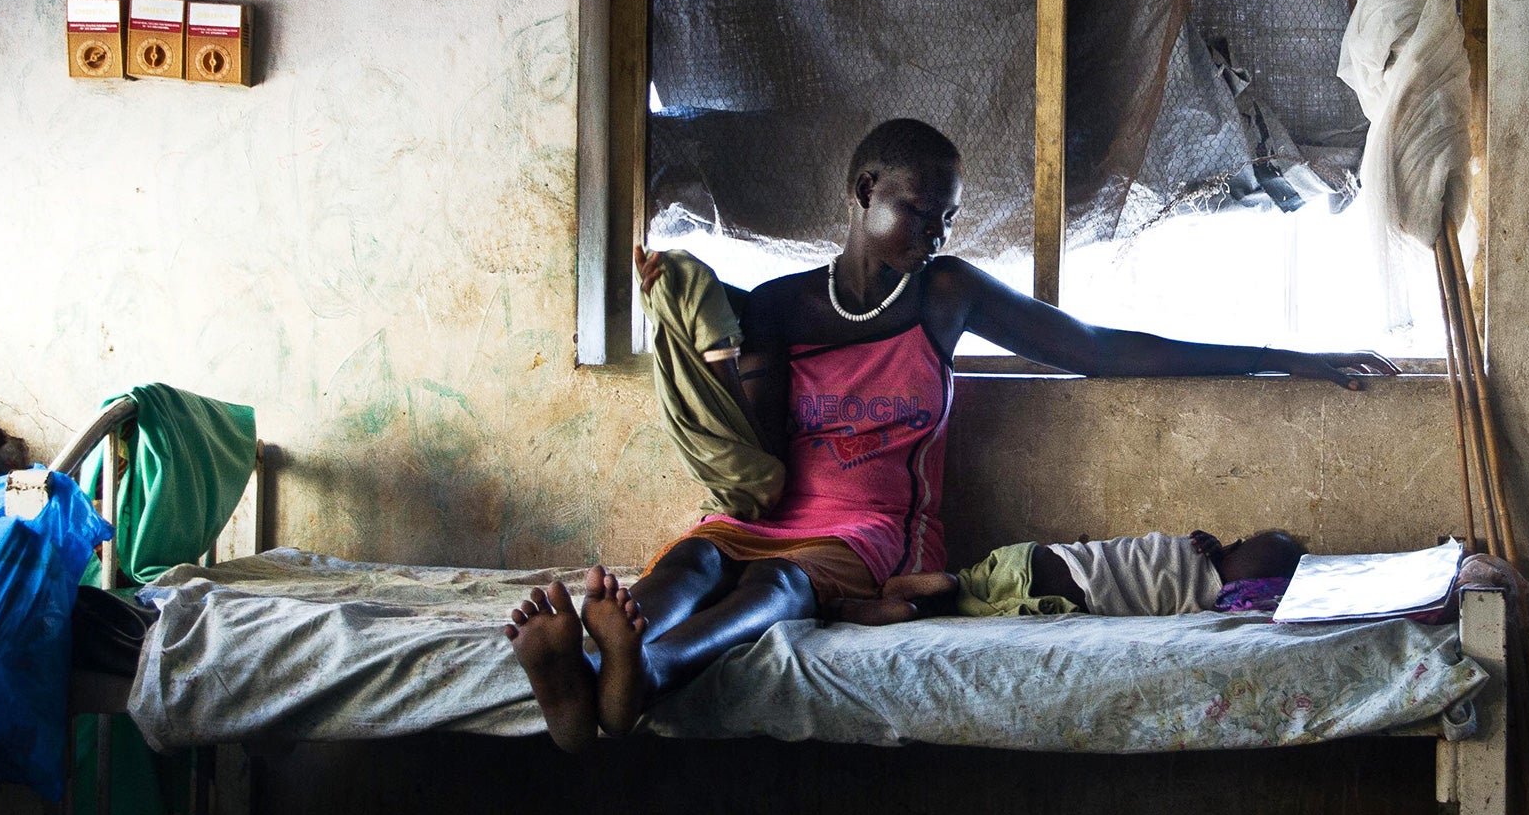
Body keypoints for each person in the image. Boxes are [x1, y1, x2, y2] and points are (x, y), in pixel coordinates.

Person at [506, 119, 1396, 751]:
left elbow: (1094, 348)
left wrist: (1283, 356)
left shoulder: (945, 296)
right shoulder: (778, 308)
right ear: (864, 192)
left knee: (780, 584)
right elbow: (759, 460)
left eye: (947, 220)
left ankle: (648, 672)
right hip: (770, 515)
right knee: (692, 563)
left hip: (868, 539)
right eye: (920, 211)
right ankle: (596, 659)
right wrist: (703, 325)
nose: (935, 235)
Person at [830, 528, 1309, 624]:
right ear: (1236, 546)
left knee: (973, 596)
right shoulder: (1199, 549)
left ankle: (913, 601)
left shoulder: (1219, 595)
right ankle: (934, 593)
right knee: (980, 593)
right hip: (1059, 568)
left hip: (1051, 575)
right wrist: (1211, 543)